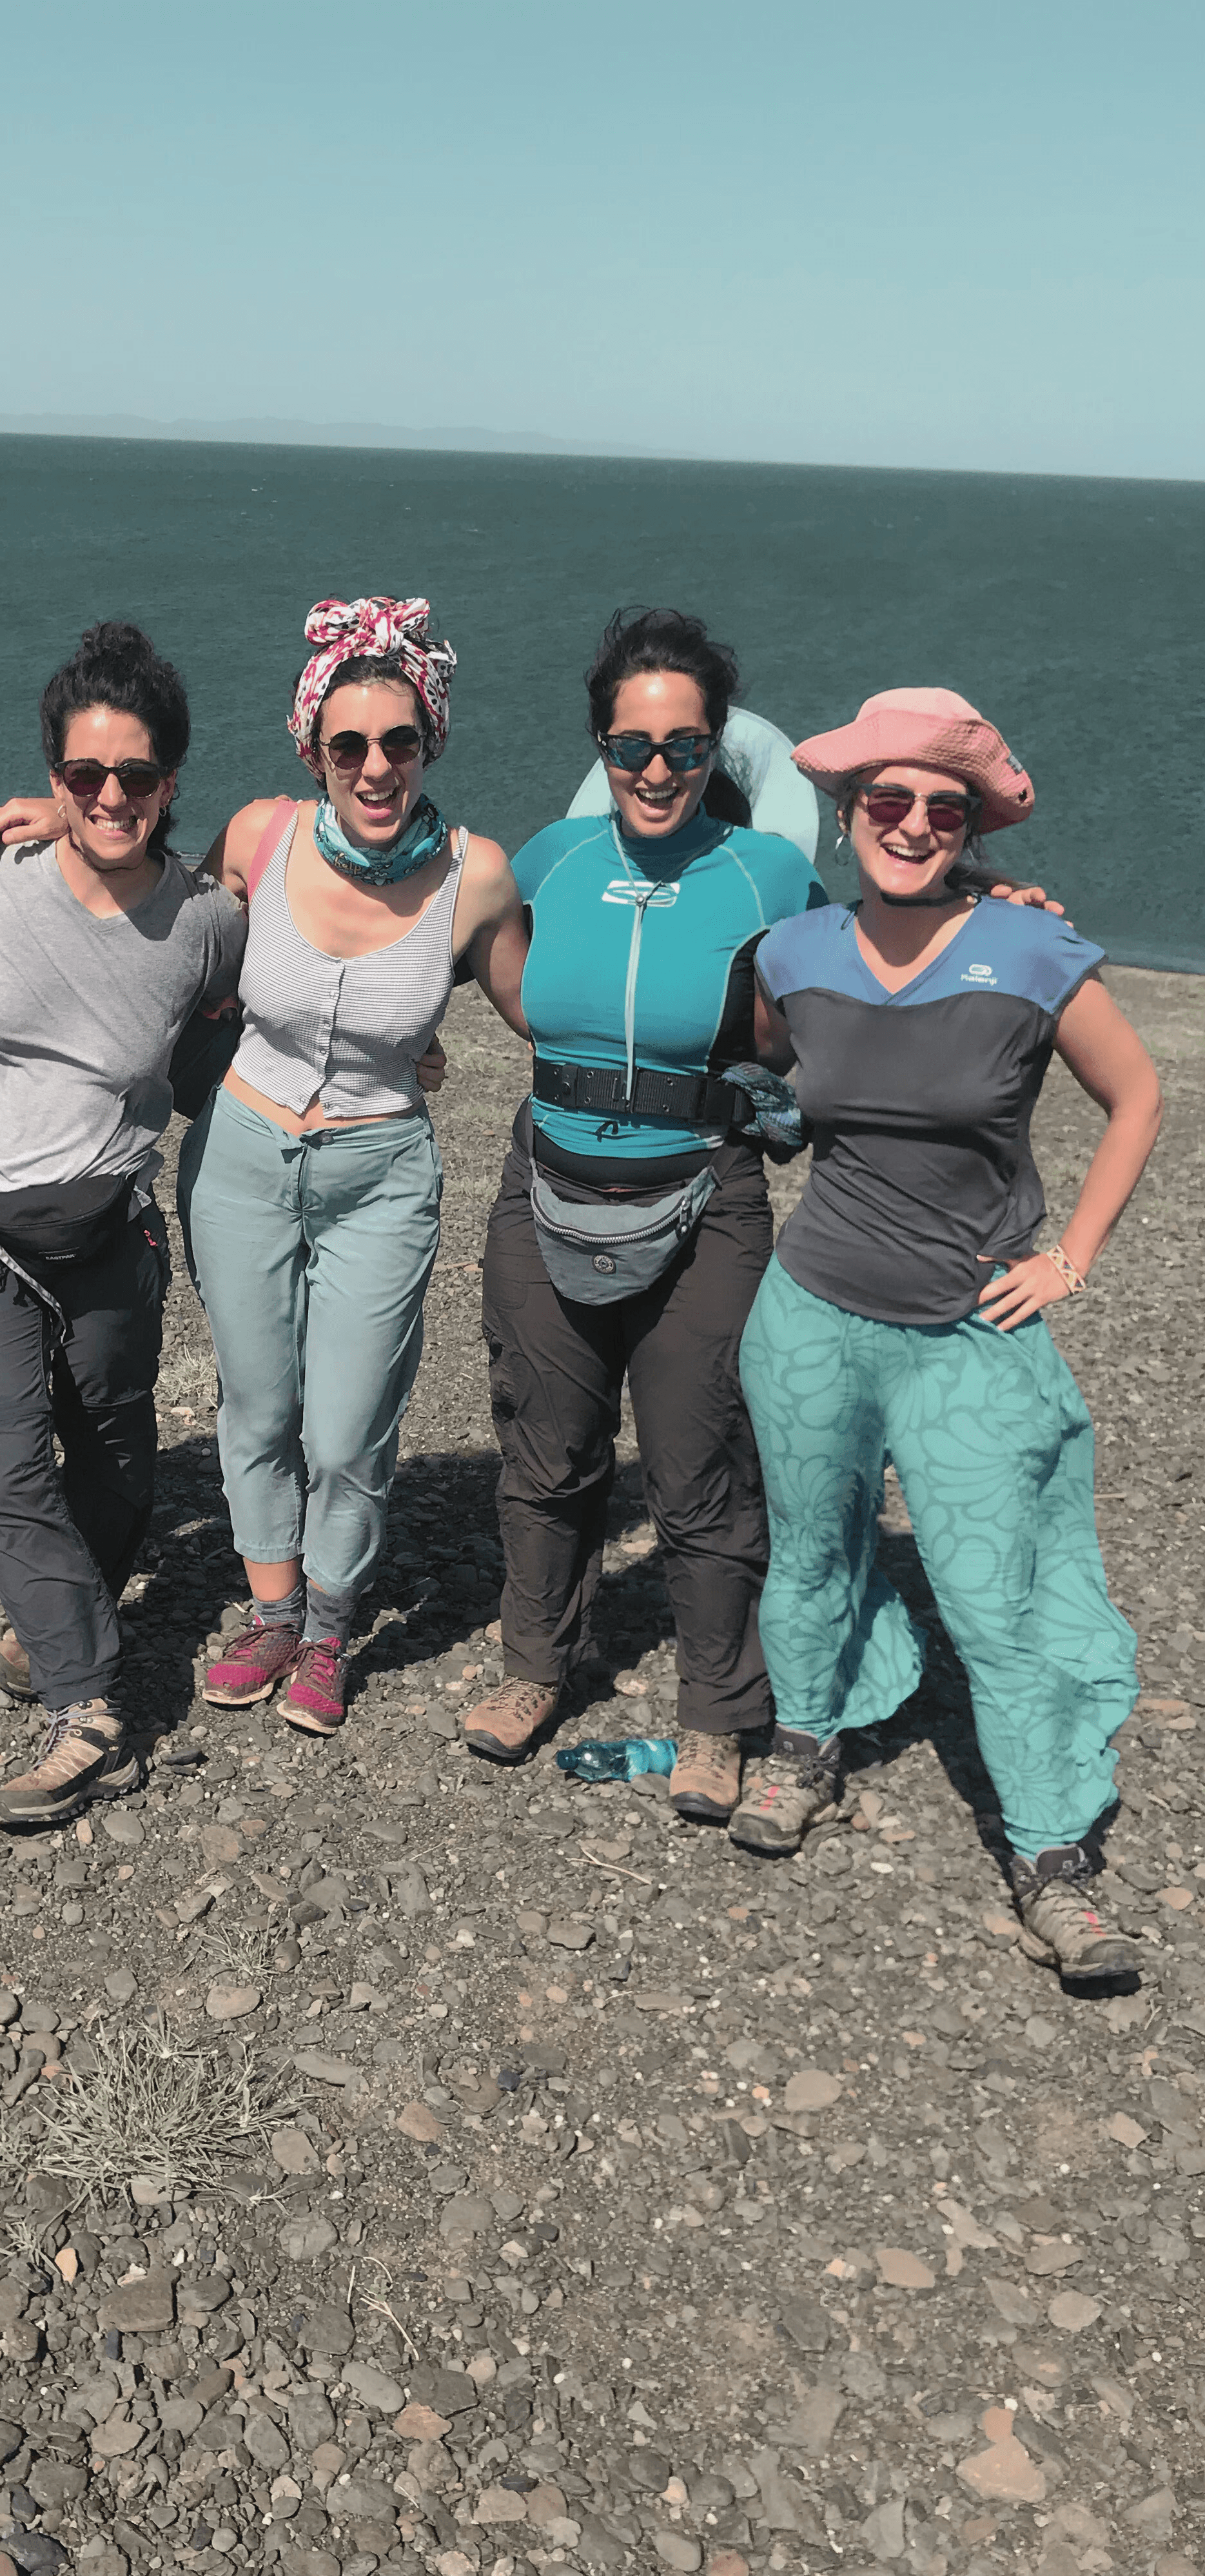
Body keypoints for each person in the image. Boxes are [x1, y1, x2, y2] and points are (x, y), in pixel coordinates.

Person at [732, 690, 1161, 1980]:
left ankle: (1050, 1859)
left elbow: (1137, 1095)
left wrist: (1070, 1257)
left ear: (969, 823)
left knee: (998, 1600)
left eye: (942, 806)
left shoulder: (1035, 951)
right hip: (810, 1313)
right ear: (851, 810)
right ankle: (805, 1747)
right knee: (808, 1553)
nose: (913, 823)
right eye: (888, 801)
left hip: (970, 1328)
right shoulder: (794, 952)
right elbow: (775, 1073)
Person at [464, 609, 823, 1807]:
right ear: (600, 747)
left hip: (706, 1194)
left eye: (681, 747)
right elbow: (461, 945)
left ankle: (718, 1715)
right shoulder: (551, 855)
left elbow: (878, 962)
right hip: (547, 1181)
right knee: (547, 1448)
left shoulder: (767, 870)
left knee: (700, 1462)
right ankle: (535, 1665)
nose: (656, 770)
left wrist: (1001, 898)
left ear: (715, 747)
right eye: (631, 747)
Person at [178, 596, 529, 1739]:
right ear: (309, 750)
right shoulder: (255, 838)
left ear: (430, 743)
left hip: (380, 1170)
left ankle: (331, 1626)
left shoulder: (475, 877)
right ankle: (272, 1610)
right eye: (349, 745)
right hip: (239, 1151)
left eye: (399, 742)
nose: (375, 768)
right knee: (258, 1404)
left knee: (347, 1424)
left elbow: (544, 1003)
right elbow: (155, 923)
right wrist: (34, 818)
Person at [0, 622, 246, 1826]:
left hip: (112, 1226)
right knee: (4, 1461)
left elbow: (239, 1028)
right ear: (51, 776)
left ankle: (59, 1622)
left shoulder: (209, 918)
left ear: (172, 779)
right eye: (81, 775)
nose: (110, 797)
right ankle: (86, 1703)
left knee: (113, 1460)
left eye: (136, 775)